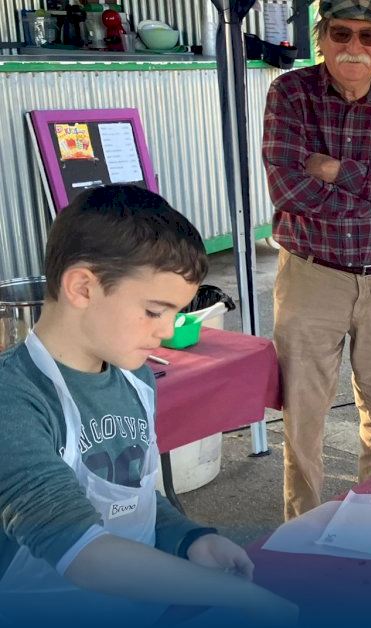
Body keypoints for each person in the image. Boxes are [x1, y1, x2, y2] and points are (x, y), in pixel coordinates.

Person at [0, 185, 297, 623]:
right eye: (155, 311)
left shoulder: (135, 378)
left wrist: (190, 539)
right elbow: (83, 554)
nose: (167, 331)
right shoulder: (15, 399)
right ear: (82, 287)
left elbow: (132, 496)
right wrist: (236, 595)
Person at [262, 0, 371, 519]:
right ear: (321, 38)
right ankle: (302, 530)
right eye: (341, 33)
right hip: (312, 277)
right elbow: (289, 190)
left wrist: (340, 172)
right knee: (304, 415)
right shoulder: (290, 94)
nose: (354, 47)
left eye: (368, 35)